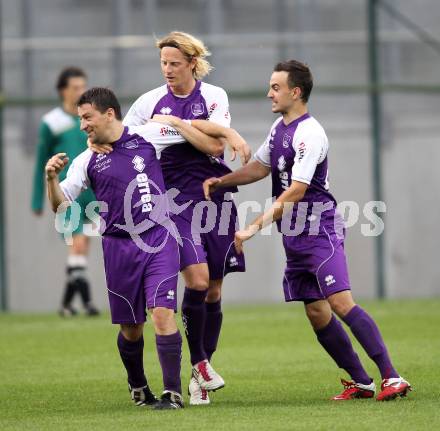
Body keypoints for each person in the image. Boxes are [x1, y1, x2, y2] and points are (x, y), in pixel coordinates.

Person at [203, 60, 411, 401]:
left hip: (319, 229)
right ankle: (361, 381)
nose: (269, 93)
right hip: (294, 234)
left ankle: (392, 376)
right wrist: (221, 181)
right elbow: (258, 167)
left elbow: (298, 190)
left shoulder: (310, 133)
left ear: (295, 92)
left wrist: (252, 227)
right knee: (316, 311)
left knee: (341, 302)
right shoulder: (279, 128)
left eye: (275, 87)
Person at [46, 87, 246, 410]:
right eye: (80, 119)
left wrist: (227, 132)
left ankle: (173, 393)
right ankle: (138, 386)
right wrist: (51, 180)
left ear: (108, 114)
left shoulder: (148, 136)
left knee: (163, 313)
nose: (82, 125)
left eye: (87, 117)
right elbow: (61, 208)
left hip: (158, 237)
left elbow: (193, 130)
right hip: (118, 247)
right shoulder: (86, 161)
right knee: (131, 328)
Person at [92, 31, 251, 405]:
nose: (167, 70)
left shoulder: (214, 96)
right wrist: (92, 139)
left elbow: (213, 146)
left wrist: (180, 124)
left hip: (213, 200)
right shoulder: (148, 102)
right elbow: (119, 134)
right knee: (195, 281)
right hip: (174, 205)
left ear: (192, 64)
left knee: (213, 288)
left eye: (174, 63)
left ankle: (201, 371)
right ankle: (198, 363)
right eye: (163, 63)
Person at [31, 66, 99, 317]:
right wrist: (37, 199)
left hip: (92, 194)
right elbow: (42, 162)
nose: (81, 91)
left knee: (82, 248)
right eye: (75, 87)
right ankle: (89, 301)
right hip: (66, 195)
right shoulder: (52, 122)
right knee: (78, 245)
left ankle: (67, 305)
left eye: (83, 86)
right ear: (63, 91)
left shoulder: (90, 119)